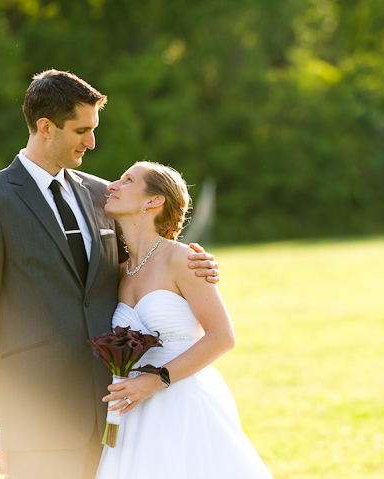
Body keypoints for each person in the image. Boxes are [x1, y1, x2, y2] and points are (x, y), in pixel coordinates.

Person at [0, 70, 219, 479]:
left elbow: (145, 263)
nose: (92, 142)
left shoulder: (103, 195)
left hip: (115, 413)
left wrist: (198, 263)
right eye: (82, 130)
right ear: (45, 127)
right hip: (35, 416)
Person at [95, 161, 273, 479]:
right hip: (132, 411)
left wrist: (157, 379)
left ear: (154, 200)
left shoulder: (184, 259)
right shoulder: (118, 272)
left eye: (128, 180)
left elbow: (222, 336)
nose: (112, 185)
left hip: (182, 403)